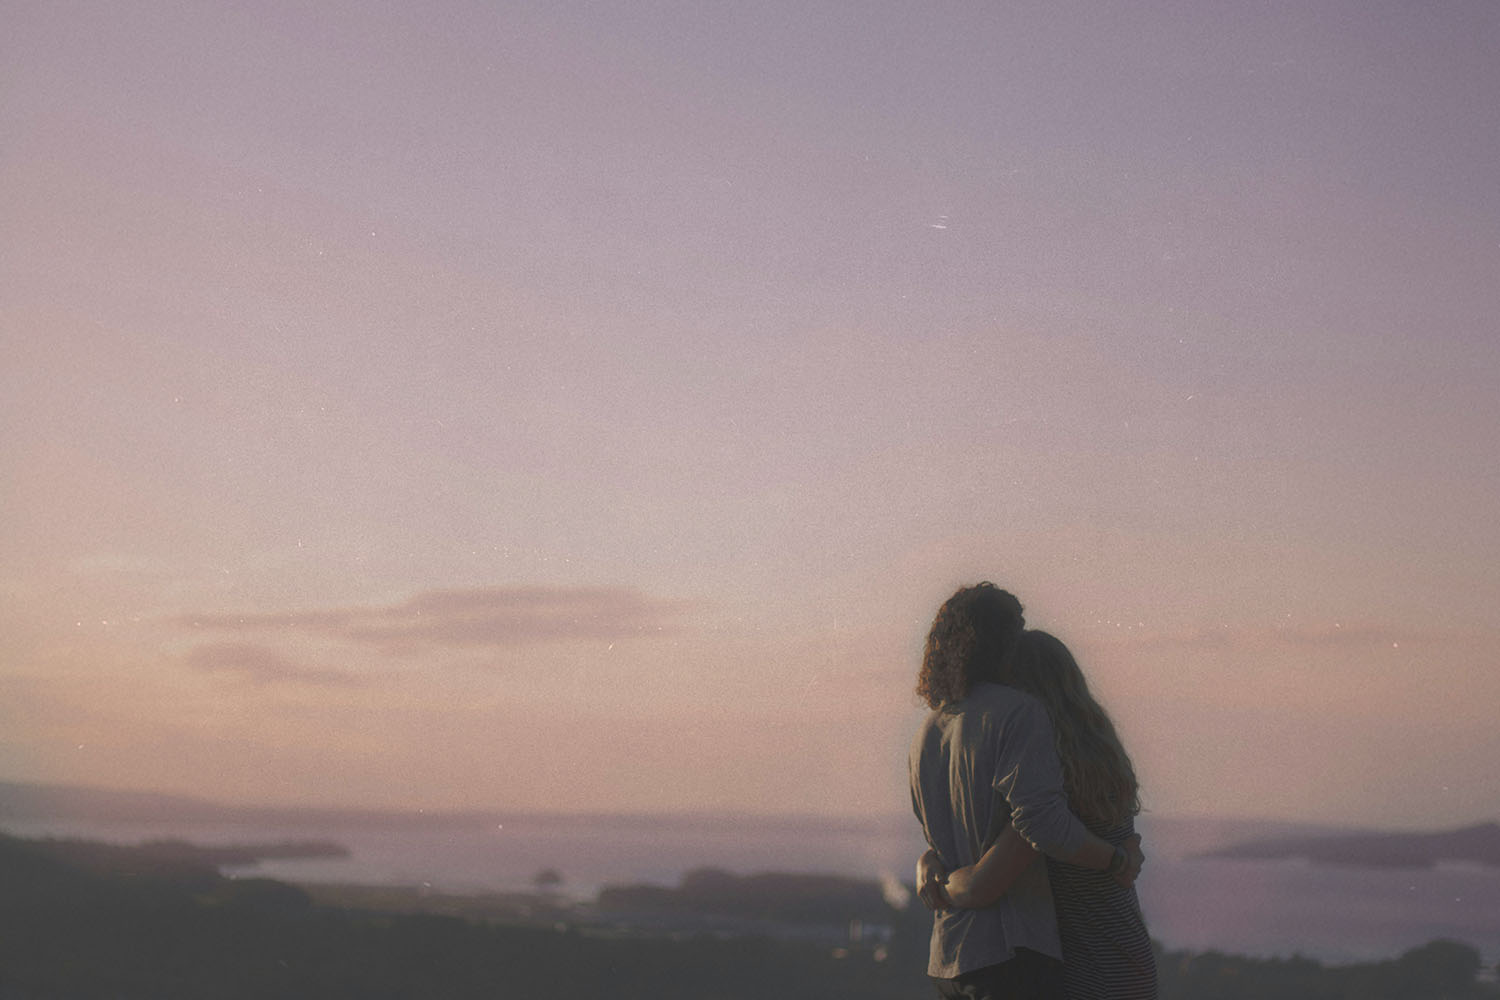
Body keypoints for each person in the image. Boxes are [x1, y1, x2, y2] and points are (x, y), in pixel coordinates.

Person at [910, 584, 1142, 1000]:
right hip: (1029, 958)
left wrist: (933, 869)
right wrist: (1119, 859)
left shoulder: (929, 730)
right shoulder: (1025, 725)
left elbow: (946, 838)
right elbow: (1033, 833)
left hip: (950, 956)